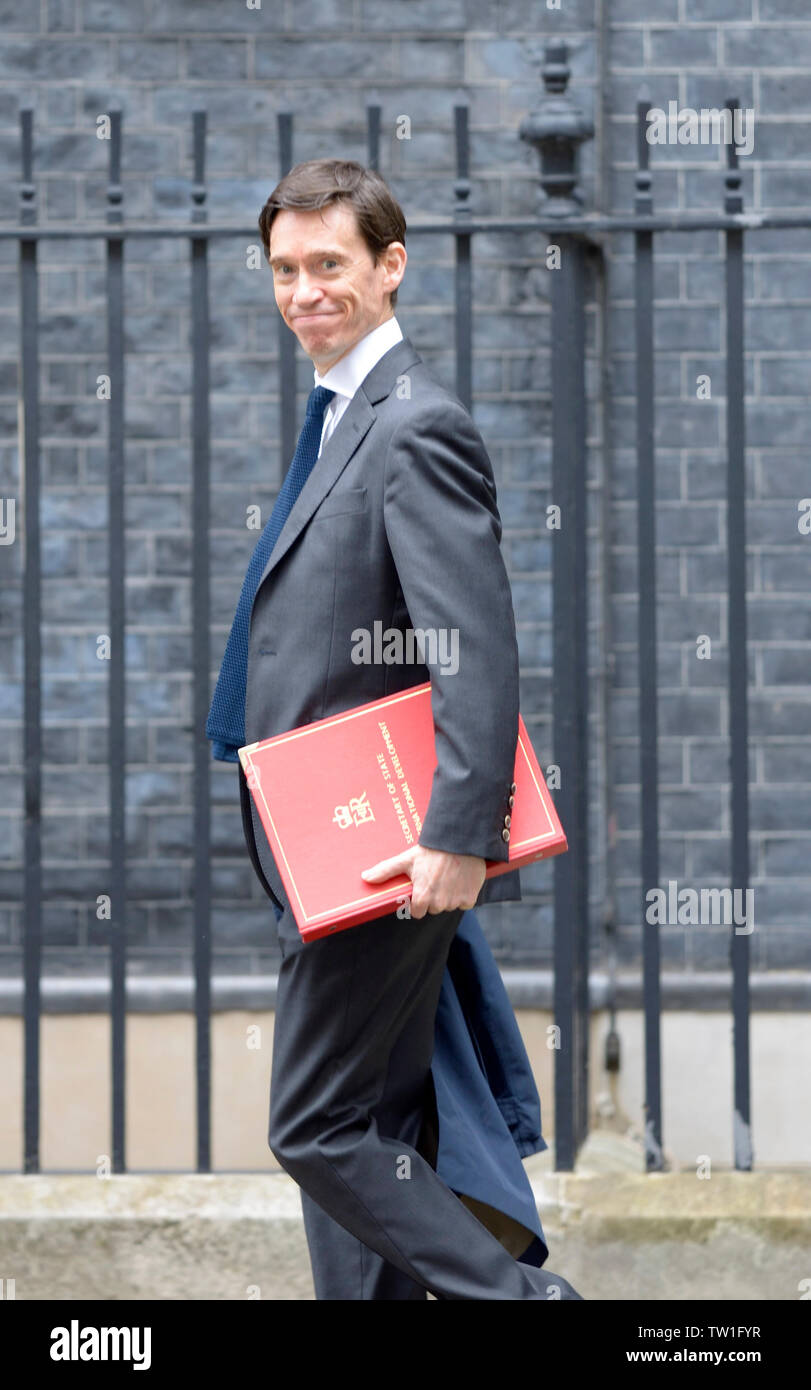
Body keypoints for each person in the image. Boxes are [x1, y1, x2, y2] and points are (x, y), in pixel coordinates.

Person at [206, 159, 583, 1301]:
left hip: (389, 850)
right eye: (285, 268)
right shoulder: (339, 420)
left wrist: (459, 833)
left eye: (330, 264)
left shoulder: (414, 426)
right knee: (382, 1118)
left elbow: (472, 642)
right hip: (327, 844)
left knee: (317, 1124)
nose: (304, 290)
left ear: (389, 266)